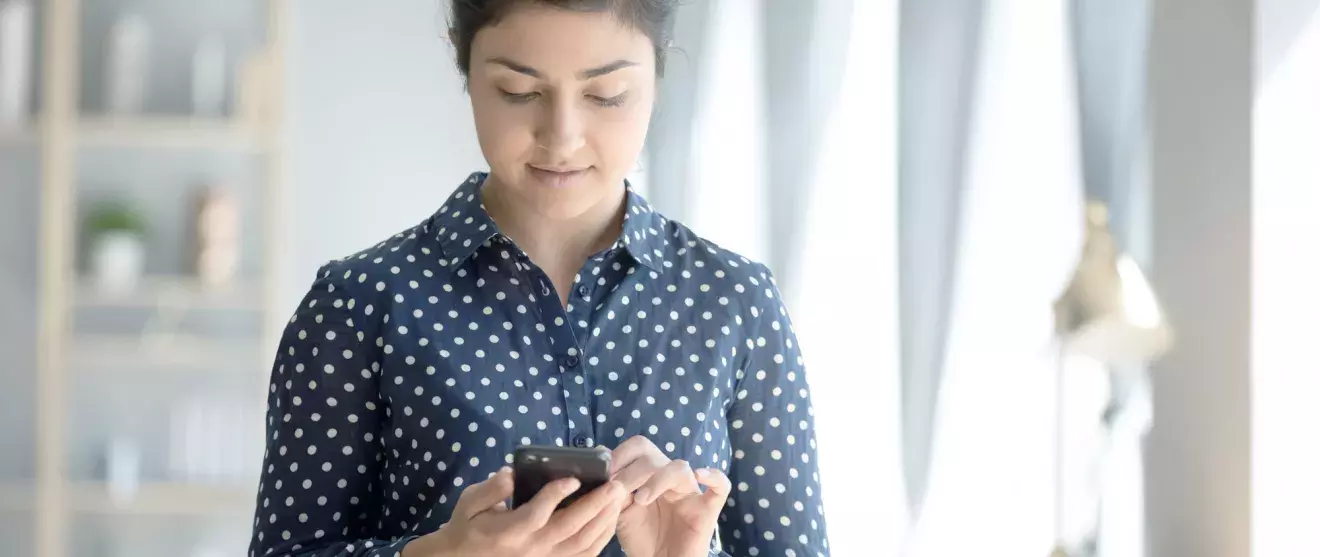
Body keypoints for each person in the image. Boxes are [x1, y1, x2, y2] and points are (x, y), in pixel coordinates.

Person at [247, 1, 829, 555]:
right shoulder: (358, 305)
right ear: (464, 63)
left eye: (607, 95)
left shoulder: (736, 304)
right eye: (519, 91)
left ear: (658, 66)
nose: (562, 137)